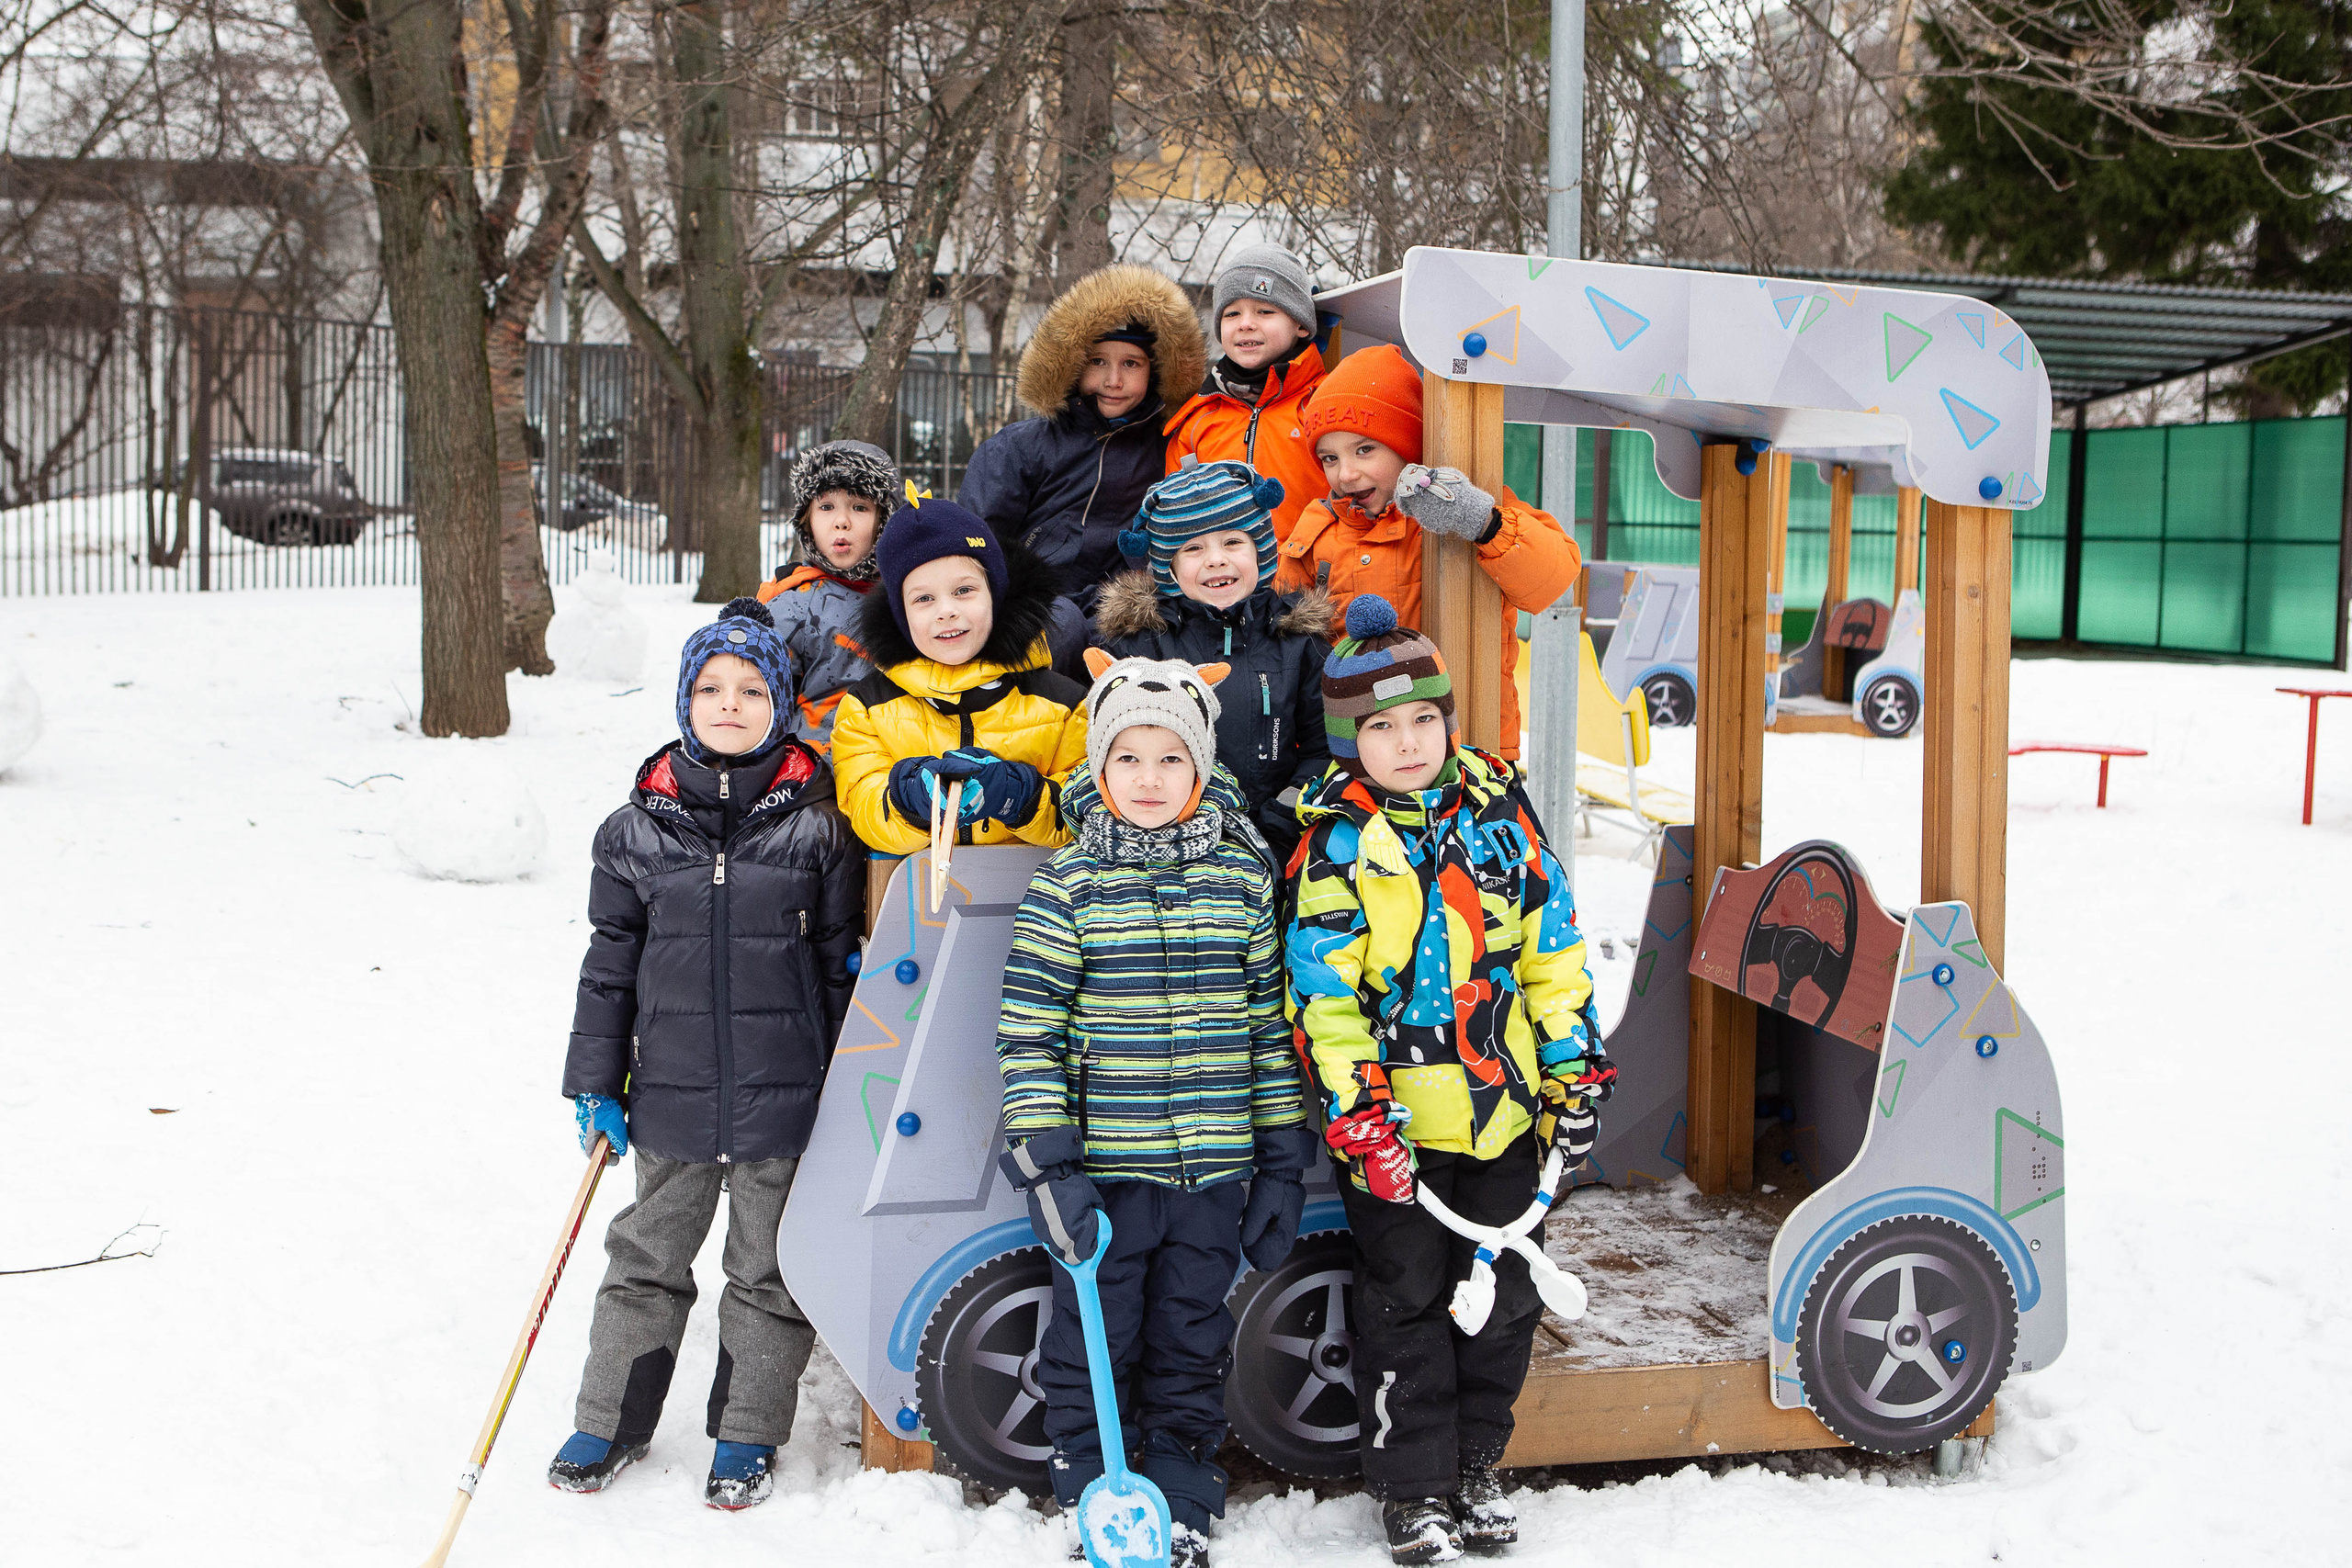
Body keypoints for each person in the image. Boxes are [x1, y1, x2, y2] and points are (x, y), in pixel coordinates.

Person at [1284, 595, 1612, 1565]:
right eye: (1381, 728)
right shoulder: (1335, 849)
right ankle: (1414, 1490)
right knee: (1405, 1302)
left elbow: (1551, 954)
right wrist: (1359, 1116)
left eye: (1423, 719)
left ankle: (1477, 1465)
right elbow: (1325, 1000)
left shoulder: (1500, 818)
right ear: (1351, 743)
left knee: (1506, 1296)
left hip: (1505, 1113)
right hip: (1399, 1135)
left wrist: (1571, 1071)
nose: (1408, 742)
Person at [996, 650, 1318, 1568]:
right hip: (1106, 1171)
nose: (1147, 778)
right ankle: (1096, 1486)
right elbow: (1027, 1038)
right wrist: (1050, 1169)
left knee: (1191, 1332)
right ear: (1098, 768)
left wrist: (1280, 1161)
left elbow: (1265, 1027)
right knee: (1093, 1330)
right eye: (1127, 758)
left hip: (1214, 1170)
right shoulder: (1066, 890)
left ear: (1202, 767)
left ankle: (1178, 1486)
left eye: (1169, 759)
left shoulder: (1241, 881)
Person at [551, 598, 865, 1510]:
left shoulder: (817, 825)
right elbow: (607, 970)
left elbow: (840, 966)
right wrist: (594, 1084)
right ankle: (610, 1417)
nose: (730, 704)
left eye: (753, 688)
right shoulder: (636, 830)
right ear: (686, 701)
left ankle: (746, 1432)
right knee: (645, 1253)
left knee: (766, 1268)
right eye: (712, 688)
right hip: (672, 1094)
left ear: (785, 703)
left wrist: (845, 1087)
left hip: (786, 1094)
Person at [1277, 344, 1578, 760]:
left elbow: (1554, 576)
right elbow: (1285, 653)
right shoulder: (1318, 531)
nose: (1345, 474)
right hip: (1360, 755)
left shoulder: (1461, 508)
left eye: (1365, 449)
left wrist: (1482, 522)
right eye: (1330, 457)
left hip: (1471, 747)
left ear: (1407, 447)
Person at [1094, 458, 1330, 862]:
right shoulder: (1139, 649)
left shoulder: (1297, 642)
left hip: (1276, 840)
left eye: (1233, 542)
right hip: (1164, 843)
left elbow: (1323, 748)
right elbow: (1106, 750)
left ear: (1261, 550)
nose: (1216, 559)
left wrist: (1284, 816)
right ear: (1169, 568)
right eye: (1193, 548)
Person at [830, 498, 1091, 854]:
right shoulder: (867, 709)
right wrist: (911, 800)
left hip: (1036, 898)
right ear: (899, 615)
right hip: (917, 903)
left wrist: (1019, 795)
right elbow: (863, 808)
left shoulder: (1065, 706)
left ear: (996, 595)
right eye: (923, 599)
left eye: (964, 591)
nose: (947, 611)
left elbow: (1088, 811)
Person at [957, 264, 1207, 615]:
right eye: (1098, 361)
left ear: (1156, 372)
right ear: (1071, 365)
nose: (1114, 380)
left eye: (1131, 364)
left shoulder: (1170, 447)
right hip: (1035, 605)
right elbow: (975, 539)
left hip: (1132, 611)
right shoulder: (1020, 447)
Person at [1162, 243, 1329, 538]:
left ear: (1301, 324)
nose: (1246, 324)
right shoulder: (1197, 419)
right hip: (1222, 579)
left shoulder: (1325, 405)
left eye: (1265, 311)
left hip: (1310, 578)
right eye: (1232, 314)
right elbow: (1177, 519)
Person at [755, 439, 904, 751]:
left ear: (884, 520)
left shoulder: (910, 598)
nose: (842, 521)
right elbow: (759, 699)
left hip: (894, 762)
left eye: (860, 508)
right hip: (813, 768)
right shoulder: (793, 605)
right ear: (807, 520)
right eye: (826, 507)